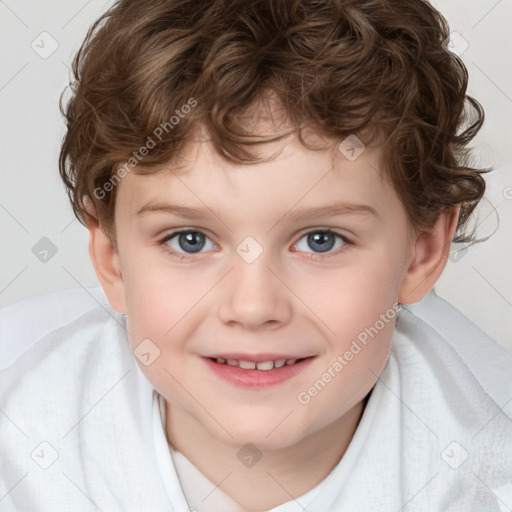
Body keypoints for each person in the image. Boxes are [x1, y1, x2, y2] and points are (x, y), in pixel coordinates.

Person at [1, 0, 511, 510]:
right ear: (112, 259)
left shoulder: (481, 482)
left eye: (321, 240)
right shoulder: (22, 447)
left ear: (421, 252)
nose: (252, 307)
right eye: (190, 240)